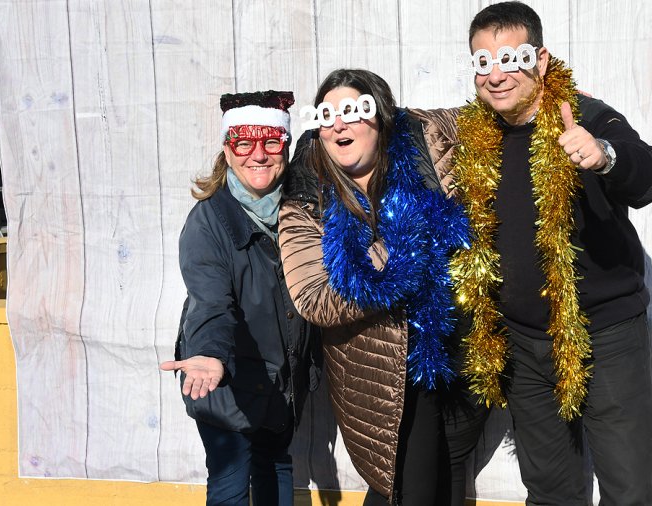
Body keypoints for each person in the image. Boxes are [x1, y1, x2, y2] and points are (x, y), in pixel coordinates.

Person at [447, 2, 652, 505]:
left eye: (511, 57)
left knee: (629, 491)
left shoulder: (588, 116)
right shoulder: (473, 137)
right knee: (550, 490)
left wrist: (604, 155)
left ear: (541, 59)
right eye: (483, 61)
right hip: (524, 347)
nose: (497, 74)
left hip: (606, 338)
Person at [278, 69, 468, 505]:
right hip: (380, 371)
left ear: (381, 116)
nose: (339, 124)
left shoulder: (422, 138)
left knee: (444, 483)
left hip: (450, 352)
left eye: (353, 110)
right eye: (326, 115)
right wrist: (393, 255)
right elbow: (313, 297)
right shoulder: (306, 193)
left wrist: (549, 101)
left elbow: (492, 111)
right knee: (403, 489)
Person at [159, 90, 320, 506]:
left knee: (277, 468)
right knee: (231, 482)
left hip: (281, 377)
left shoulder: (303, 209)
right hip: (223, 377)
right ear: (227, 151)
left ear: (285, 146)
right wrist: (211, 353)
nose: (259, 155)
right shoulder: (208, 221)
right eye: (243, 143)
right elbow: (211, 300)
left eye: (271, 142)